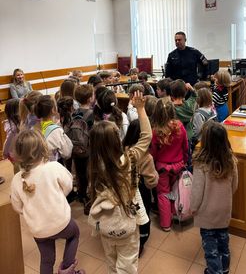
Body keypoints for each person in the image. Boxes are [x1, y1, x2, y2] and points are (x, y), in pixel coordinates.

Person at [88, 91, 152, 274]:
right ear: (117, 140)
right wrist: (140, 108)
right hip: (127, 224)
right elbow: (146, 137)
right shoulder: (128, 159)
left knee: (111, 261)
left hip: (106, 226)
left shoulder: (93, 166)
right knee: (128, 263)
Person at [10, 130, 85, 274]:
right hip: (61, 222)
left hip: (38, 229)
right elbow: (69, 185)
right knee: (74, 234)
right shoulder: (53, 167)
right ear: (42, 147)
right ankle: (67, 270)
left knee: (46, 259)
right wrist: (57, 195)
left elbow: (17, 207)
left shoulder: (17, 180)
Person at [191, 121, 238, 274]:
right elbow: (234, 185)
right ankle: (224, 268)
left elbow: (197, 191)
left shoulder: (200, 163)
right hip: (224, 209)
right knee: (224, 241)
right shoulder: (231, 160)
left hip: (206, 212)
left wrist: (193, 207)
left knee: (210, 248)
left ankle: (214, 271)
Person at [150, 97, 188, 231]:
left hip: (162, 168)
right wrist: (184, 160)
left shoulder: (155, 131)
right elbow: (185, 147)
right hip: (178, 165)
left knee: (163, 194)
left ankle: (166, 224)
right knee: (175, 190)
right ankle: (175, 213)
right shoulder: (180, 127)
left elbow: (153, 152)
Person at [123, 119, 158, 257]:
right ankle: (141, 242)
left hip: (125, 189)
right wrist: (156, 176)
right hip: (141, 191)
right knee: (143, 216)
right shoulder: (146, 157)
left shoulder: (122, 149)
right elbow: (151, 182)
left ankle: (127, 239)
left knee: (129, 213)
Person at [35, 95, 73, 162]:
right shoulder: (56, 130)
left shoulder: (34, 127)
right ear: (53, 110)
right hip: (53, 165)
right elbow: (67, 153)